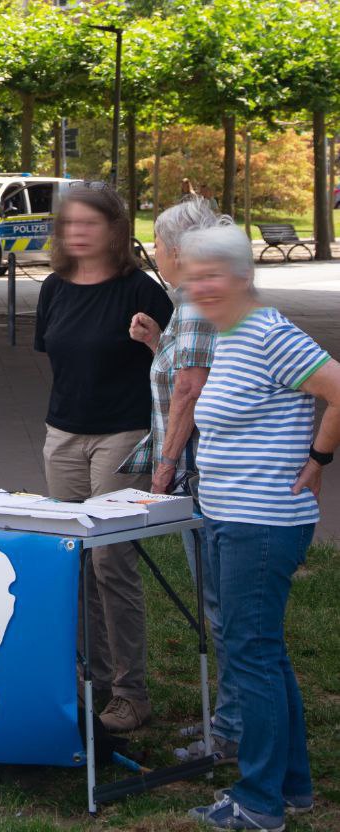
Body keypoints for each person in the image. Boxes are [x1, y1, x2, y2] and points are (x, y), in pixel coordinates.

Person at [180, 225, 340, 831]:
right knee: (260, 653)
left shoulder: (270, 333)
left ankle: (259, 803)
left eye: (213, 274)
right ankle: (292, 787)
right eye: (193, 277)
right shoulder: (232, 336)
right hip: (228, 514)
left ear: (244, 276)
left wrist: (318, 461)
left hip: (263, 523)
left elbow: (339, 389)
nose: (201, 287)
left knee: (248, 656)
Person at [34, 183, 173, 735]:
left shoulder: (141, 289)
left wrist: (156, 341)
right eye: (70, 224)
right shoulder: (53, 288)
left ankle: (129, 692)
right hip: (62, 435)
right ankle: (87, 677)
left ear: (114, 230)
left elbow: (179, 366)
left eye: (90, 223)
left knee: (112, 560)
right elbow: (56, 358)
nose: (78, 233)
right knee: (72, 558)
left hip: (124, 432)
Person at [125, 198, 240, 761]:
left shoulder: (194, 301)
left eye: (159, 246)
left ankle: (232, 731)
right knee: (222, 607)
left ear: (178, 249)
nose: (156, 256)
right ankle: (229, 721)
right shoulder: (202, 299)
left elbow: (190, 390)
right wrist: (156, 344)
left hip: (199, 476)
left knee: (220, 609)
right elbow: (190, 372)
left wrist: (163, 470)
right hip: (210, 473)